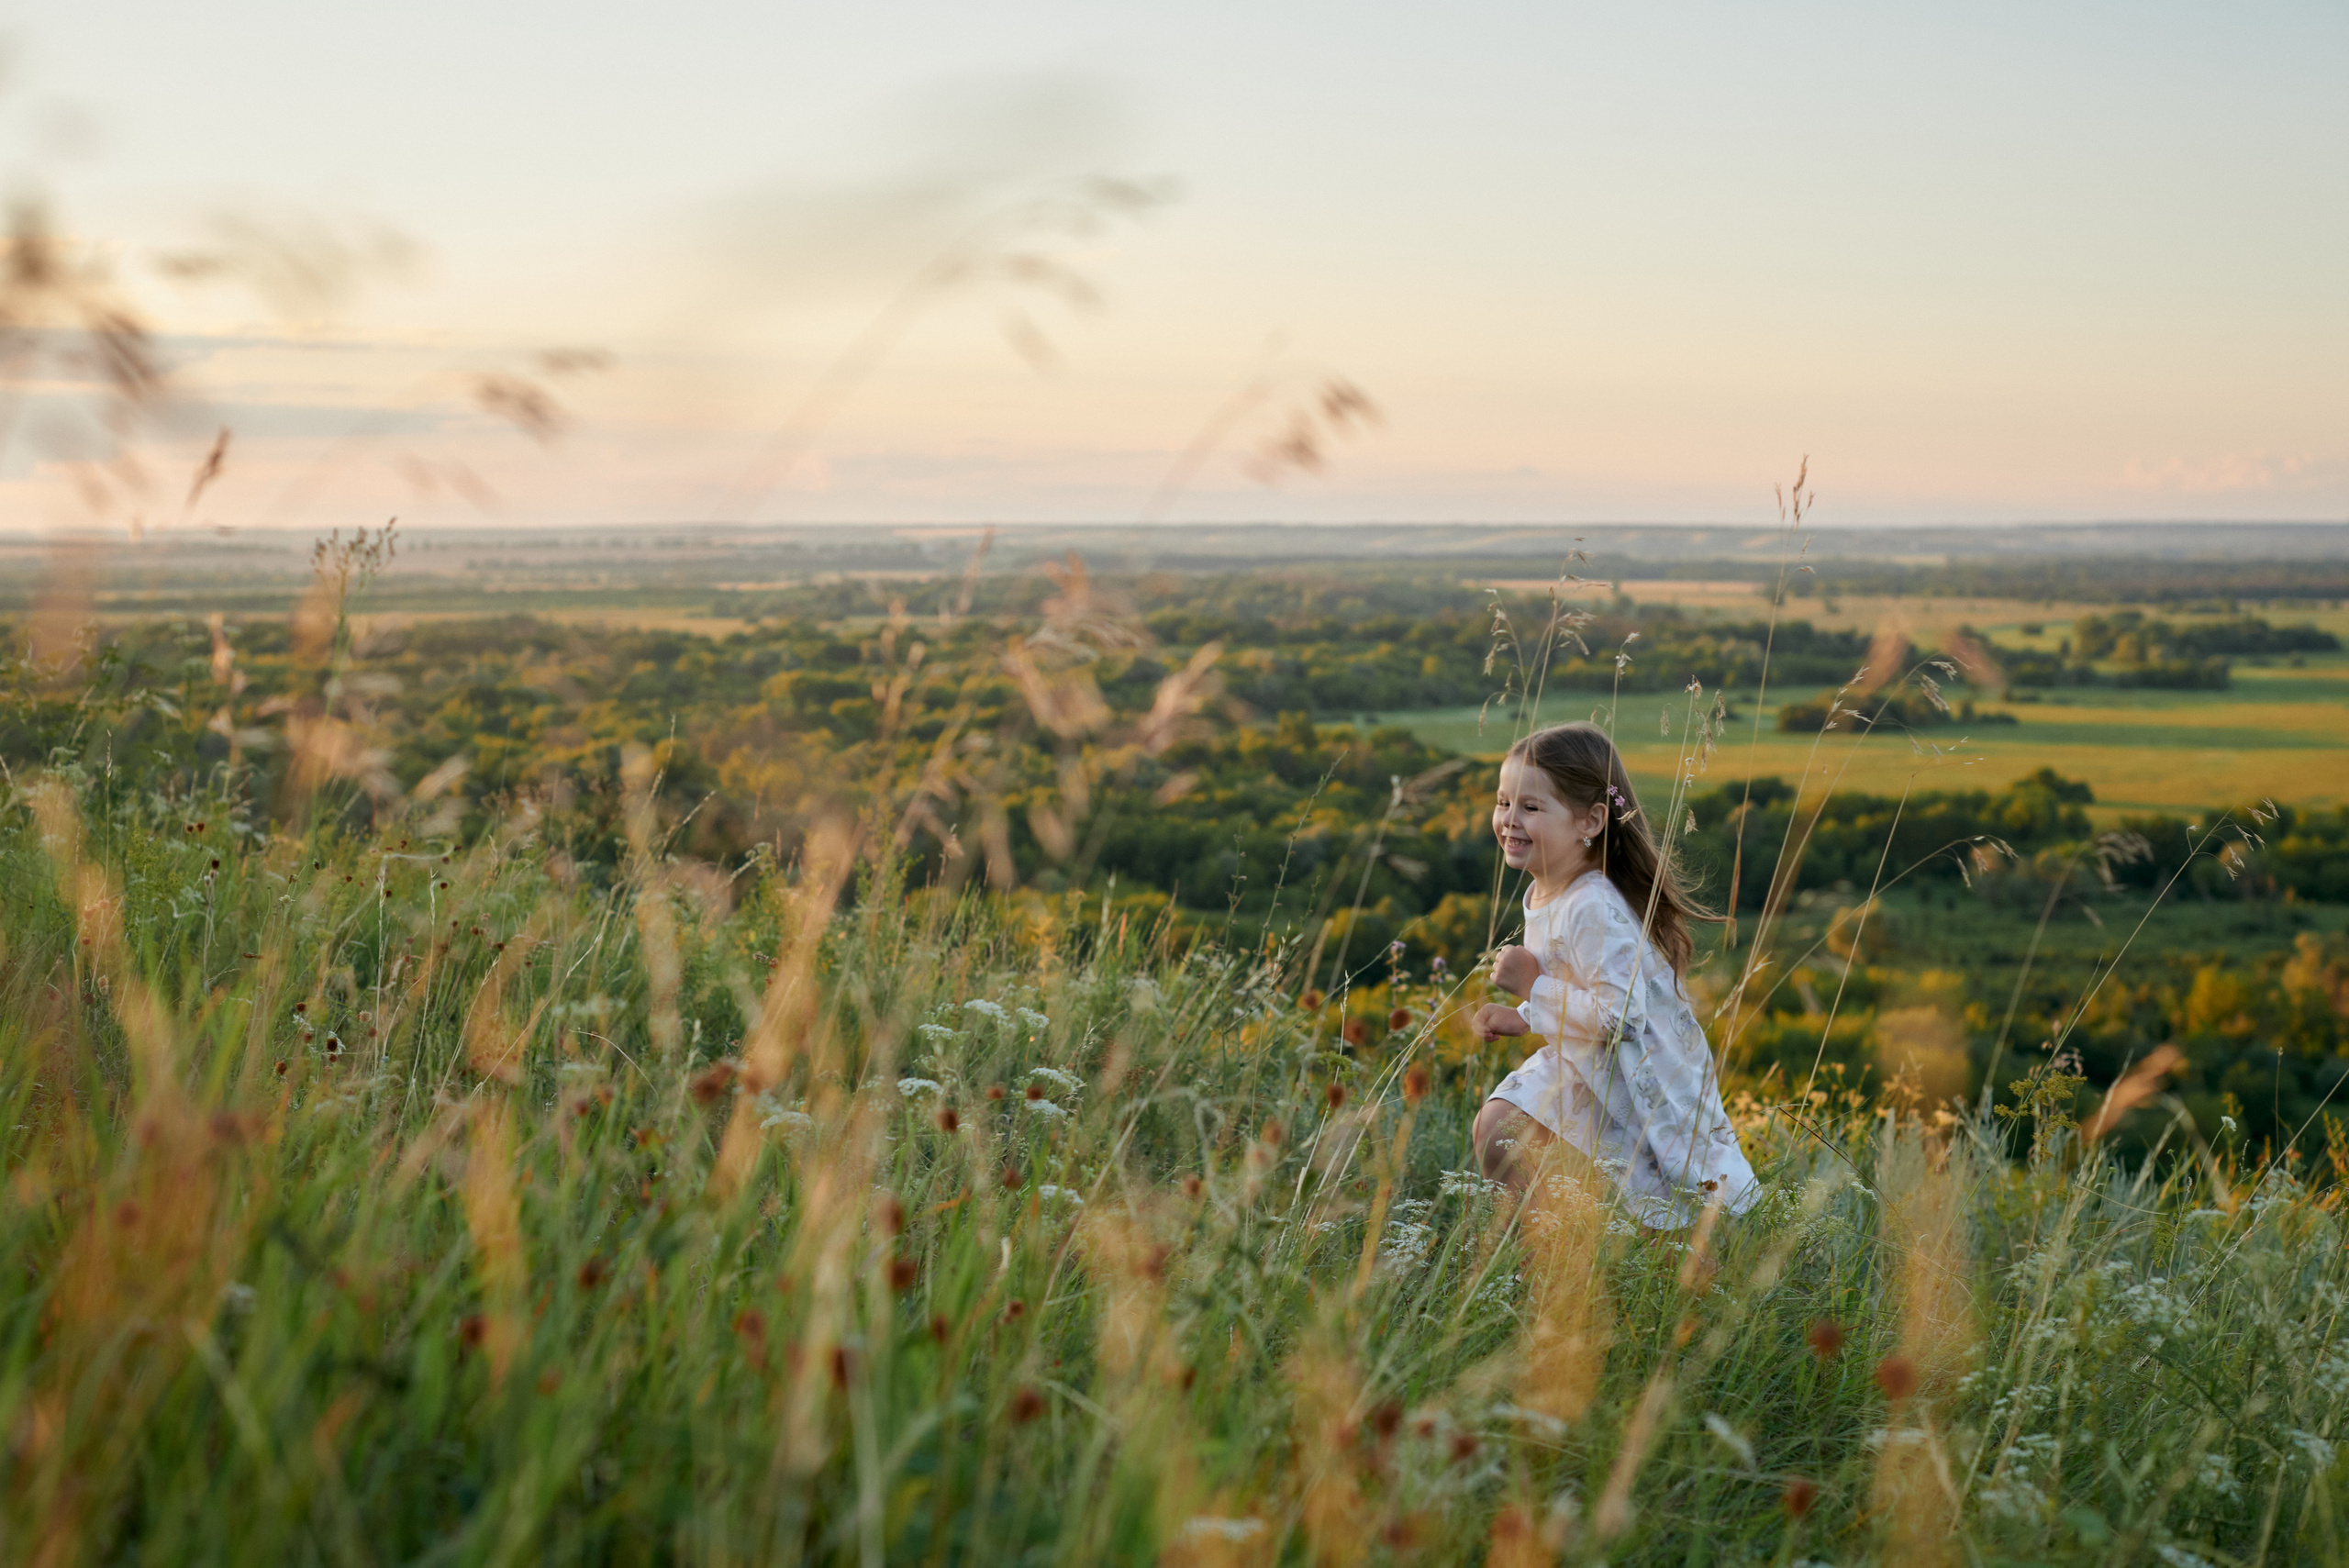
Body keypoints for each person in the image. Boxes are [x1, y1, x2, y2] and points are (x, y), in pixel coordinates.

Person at [1467, 722, 1759, 1229]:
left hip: (1634, 1082)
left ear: (1591, 821)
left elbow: (1620, 1017)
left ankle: (1570, 1262)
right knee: (1499, 1129)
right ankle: (1541, 1262)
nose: (1510, 819)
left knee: (1655, 1222)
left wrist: (1533, 987)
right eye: (1503, 802)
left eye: (1531, 807)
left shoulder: (1592, 905)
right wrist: (1526, 1015)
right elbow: (1585, 991)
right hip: (1590, 1066)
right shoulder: (1548, 891)